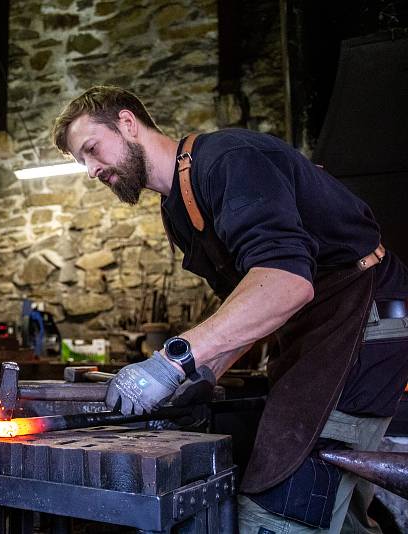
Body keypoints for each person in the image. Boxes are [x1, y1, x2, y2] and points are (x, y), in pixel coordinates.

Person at [51, 86, 408, 533]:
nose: (90, 170)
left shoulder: (228, 159)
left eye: (91, 150)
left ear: (127, 123)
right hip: (316, 329)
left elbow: (285, 284)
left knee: (284, 497)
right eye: (81, 162)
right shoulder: (177, 210)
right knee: (341, 510)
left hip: (360, 317)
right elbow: (250, 302)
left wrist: (171, 362)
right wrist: (206, 373)